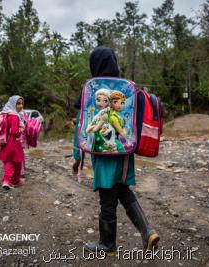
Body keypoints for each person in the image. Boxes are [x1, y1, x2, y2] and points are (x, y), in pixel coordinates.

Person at [73, 46, 159, 256]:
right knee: (121, 189)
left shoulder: (91, 89)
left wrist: (77, 156)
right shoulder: (127, 88)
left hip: (102, 154)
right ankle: (147, 231)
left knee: (106, 195)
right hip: (124, 152)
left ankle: (107, 244)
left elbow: (81, 125)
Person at [0, 96, 26, 190]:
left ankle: (6, 181)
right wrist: (21, 129)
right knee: (17, 162)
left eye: (22, 103)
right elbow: (15, 132)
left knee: (8, 162)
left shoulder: (6, 113)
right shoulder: (15, 116)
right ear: (13, 104)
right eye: (18, 103)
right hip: (14, 143)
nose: (21, 106)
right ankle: (15, 180)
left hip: (6, 142)